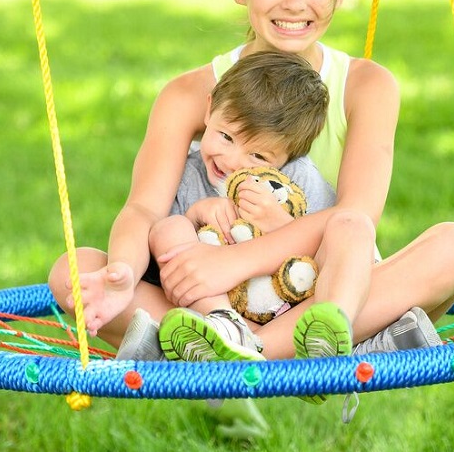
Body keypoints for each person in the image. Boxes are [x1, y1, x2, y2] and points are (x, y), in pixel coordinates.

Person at [48, 0, 454, 397]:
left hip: (320, 288)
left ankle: (235, 350)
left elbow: (356, 217)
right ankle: (308, 348)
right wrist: (123, 273)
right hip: (199, 295)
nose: (295, 2)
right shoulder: (189, 95)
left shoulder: (365, 86)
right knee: (74, 269)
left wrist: (236, 261)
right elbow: (144, 207)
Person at [144, 50, 341, 363]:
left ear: (289, 156)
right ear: (209, 110)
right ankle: (225, 326)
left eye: (259, 156)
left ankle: (247, 343)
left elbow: (332, 254)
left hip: (282, 309)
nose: (233, 162)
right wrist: (194, 217)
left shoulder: (297, 179)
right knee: (169, 228)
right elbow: (158, 260)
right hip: (205, 306)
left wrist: (283, 225)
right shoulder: (187, 174)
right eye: (226, 136)